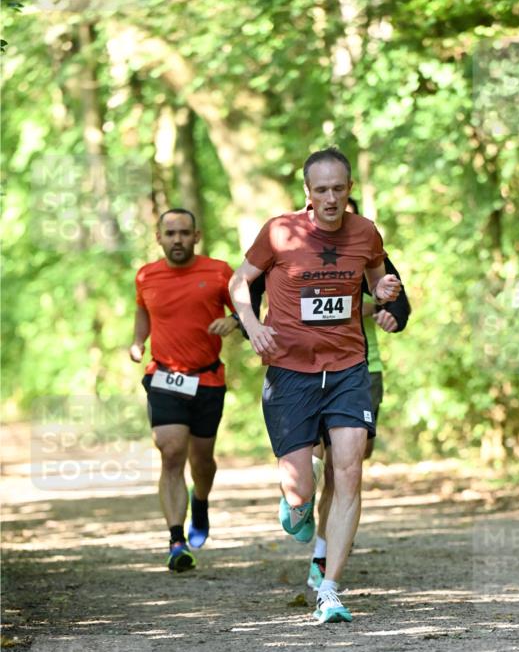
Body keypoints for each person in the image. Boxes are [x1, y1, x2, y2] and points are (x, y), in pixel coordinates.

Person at [229, 148, 402, 623]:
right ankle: (298, 508)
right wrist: (251, 323)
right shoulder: (279, 231)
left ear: (349, 189)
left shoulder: (365, 231)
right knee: (301, 489)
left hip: (347, 368)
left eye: (338, 189)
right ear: (308, 192)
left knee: (349, 472)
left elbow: (376, 276)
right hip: (290, 373)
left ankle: (330, 587)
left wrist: (383, 290)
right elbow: (239, 281)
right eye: (321, 189)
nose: (330, 198)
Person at [307, 195, 411, 591]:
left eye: (351, 211)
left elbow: (400, 304)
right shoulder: (300, 250)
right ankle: (301, 500)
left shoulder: (369, 248)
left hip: (363, 370)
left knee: (345, 467)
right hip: (310, 371)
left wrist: (389, 315)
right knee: (321, 464)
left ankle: (322, 551)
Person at [130, 208, 239, 572]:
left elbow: (247, 305)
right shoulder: (146, 275)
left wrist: (234, 320)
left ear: (197, 235)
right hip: (164, 377)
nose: (178, 239)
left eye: (184, 233)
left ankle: (201, 500)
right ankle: (176, 540)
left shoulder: (219, 271)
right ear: (159, 237)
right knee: (172, 450)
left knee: (202, 460)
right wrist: (137, 342)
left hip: (208, 379)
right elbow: (143, 311)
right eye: (171, 233)